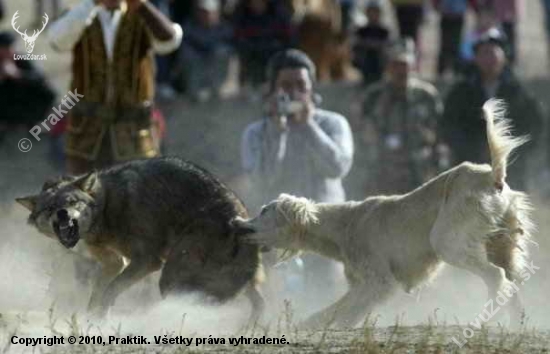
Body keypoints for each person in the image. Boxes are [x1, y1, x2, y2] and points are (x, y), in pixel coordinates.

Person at [241, 49, 353, 311]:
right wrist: (278, 132)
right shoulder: (256, 133)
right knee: (280, 308)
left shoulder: (333, 124)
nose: (294, 93)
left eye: (301, 85)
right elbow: (262, 180)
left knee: (329, 302)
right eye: (285, 86)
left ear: (312, 89)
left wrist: (309, 125)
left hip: (325, 229)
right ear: (272, 90)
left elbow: (337, 167)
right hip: (278, 233)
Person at [47, 0, 183, 175]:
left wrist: (141, 5)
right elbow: (58, 41)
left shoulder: (141, 16)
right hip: (87, 129)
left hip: (133, 128)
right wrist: (91, 4)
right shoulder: (81, 15)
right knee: (84, 193)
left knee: (135, 193)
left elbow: (170, 42)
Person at [442, 30, 543, 191]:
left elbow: (535, 125)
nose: (489, 58)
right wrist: (471, 149)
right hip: (471, 167)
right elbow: (449, 126)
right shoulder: (461, 92)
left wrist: (514, 150)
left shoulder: (518, 91)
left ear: (504, 58)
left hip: (511, 169)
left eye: (493, 53)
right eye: (484, 53)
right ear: (475, 58)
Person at [357, 39, 445, 195]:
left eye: (405, 66)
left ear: (413, 67)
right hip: (383, 173)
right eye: (396, 65)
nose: (401, 71)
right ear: (388, 67)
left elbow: (440, 135)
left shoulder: (426, 96)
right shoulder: (373, 96)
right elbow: (362, 134)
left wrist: (437, 166)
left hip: (419, 173)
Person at [0, 31, 57, 151]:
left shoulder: (21, 61)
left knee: (48, 92)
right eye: (4, 48)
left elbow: (40, 78)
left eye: (9, 48)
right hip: (4, 106)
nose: (8, 51)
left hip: (21, 104)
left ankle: (32, 123)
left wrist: (18, 75)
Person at [233, 0, 295, 93]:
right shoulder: (242, 13)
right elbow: (237, 36)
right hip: (251, 57)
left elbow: (290, 39)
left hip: (275, 55)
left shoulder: (279, 13)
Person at [180, 0, 233, 103]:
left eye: (210, 12)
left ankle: (217, 90)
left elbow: (229, 49)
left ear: (217, 13)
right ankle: (194, 92)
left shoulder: (225, 28)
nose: (207, 15)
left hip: (214, 69)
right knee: (188, 55)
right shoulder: (189, 26)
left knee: (222, 52)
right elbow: (186, 46)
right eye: (203, 11)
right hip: (197, 66)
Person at [352, 0, 390, 86]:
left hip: (380, 66)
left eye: (375, 12)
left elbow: (387, 46)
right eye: (371, 11)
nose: (373, 15)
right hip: (365, 66)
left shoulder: (384, 31)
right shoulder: (361, 31)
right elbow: (356, 46)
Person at [433, 0, 474, 78]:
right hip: (446, 17)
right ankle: (440, 73)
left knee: (456, 46)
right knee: (444, 46)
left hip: (458, 17)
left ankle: (457, 73)